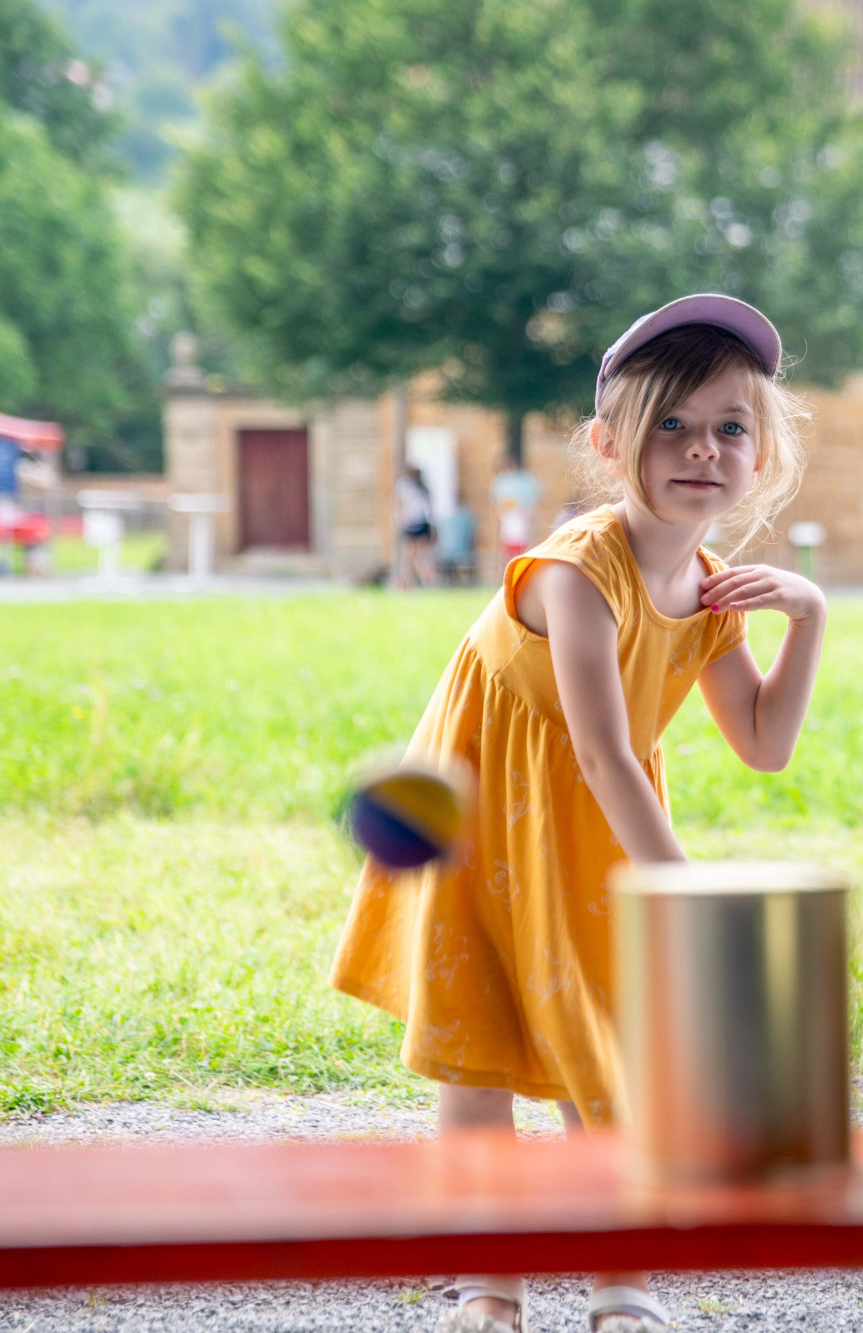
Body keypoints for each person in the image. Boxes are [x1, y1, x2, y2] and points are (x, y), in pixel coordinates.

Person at [330, 295, 821, 1333]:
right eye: (670, 426)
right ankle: (488, 1285)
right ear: (610, 445)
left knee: (605, 1042)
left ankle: (619, 1279)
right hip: (490, 812)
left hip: (598, 820)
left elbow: (764, 745)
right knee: (481, 1048)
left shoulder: (711, 587)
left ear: (763, 448)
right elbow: (598, 745)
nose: (702, 449)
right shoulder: (575, 568)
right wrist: (682, 894)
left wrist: (807, 619)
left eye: (730, 426)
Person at [490, 454, 541, 573]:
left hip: (521, 516)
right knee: (506, 546)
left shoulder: (525, 480)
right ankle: (506, 571)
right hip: (506, 517)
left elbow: (533, 499)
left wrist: (529, 514)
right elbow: (496, 502)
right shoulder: (500, 481)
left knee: (521, 544)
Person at [395, 465, 438, 589]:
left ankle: (409, 582)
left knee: (410, 558)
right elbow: (430, 510)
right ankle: (429, 579)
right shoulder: (422, 487)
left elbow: (399, 505)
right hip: (422, 524)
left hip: (410, 525)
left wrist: (399, 522)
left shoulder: (403, 486)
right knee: (421, 557)